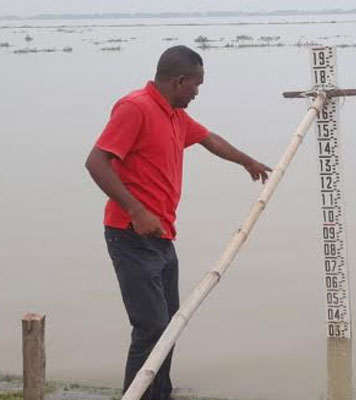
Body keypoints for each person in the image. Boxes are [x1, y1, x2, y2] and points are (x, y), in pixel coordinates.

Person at [85, 45, 271, 400]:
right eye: (196, 86)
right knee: (150, 327)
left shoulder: (173, 114)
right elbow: (96, 162)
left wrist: (247, 161)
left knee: (169, 325)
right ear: (179, 81)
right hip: (129, 235)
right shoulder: (135, 108)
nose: (197, 93)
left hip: (162, 235)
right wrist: (136, 210)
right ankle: (136, 395)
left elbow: (209, 139)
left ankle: (160, 393)